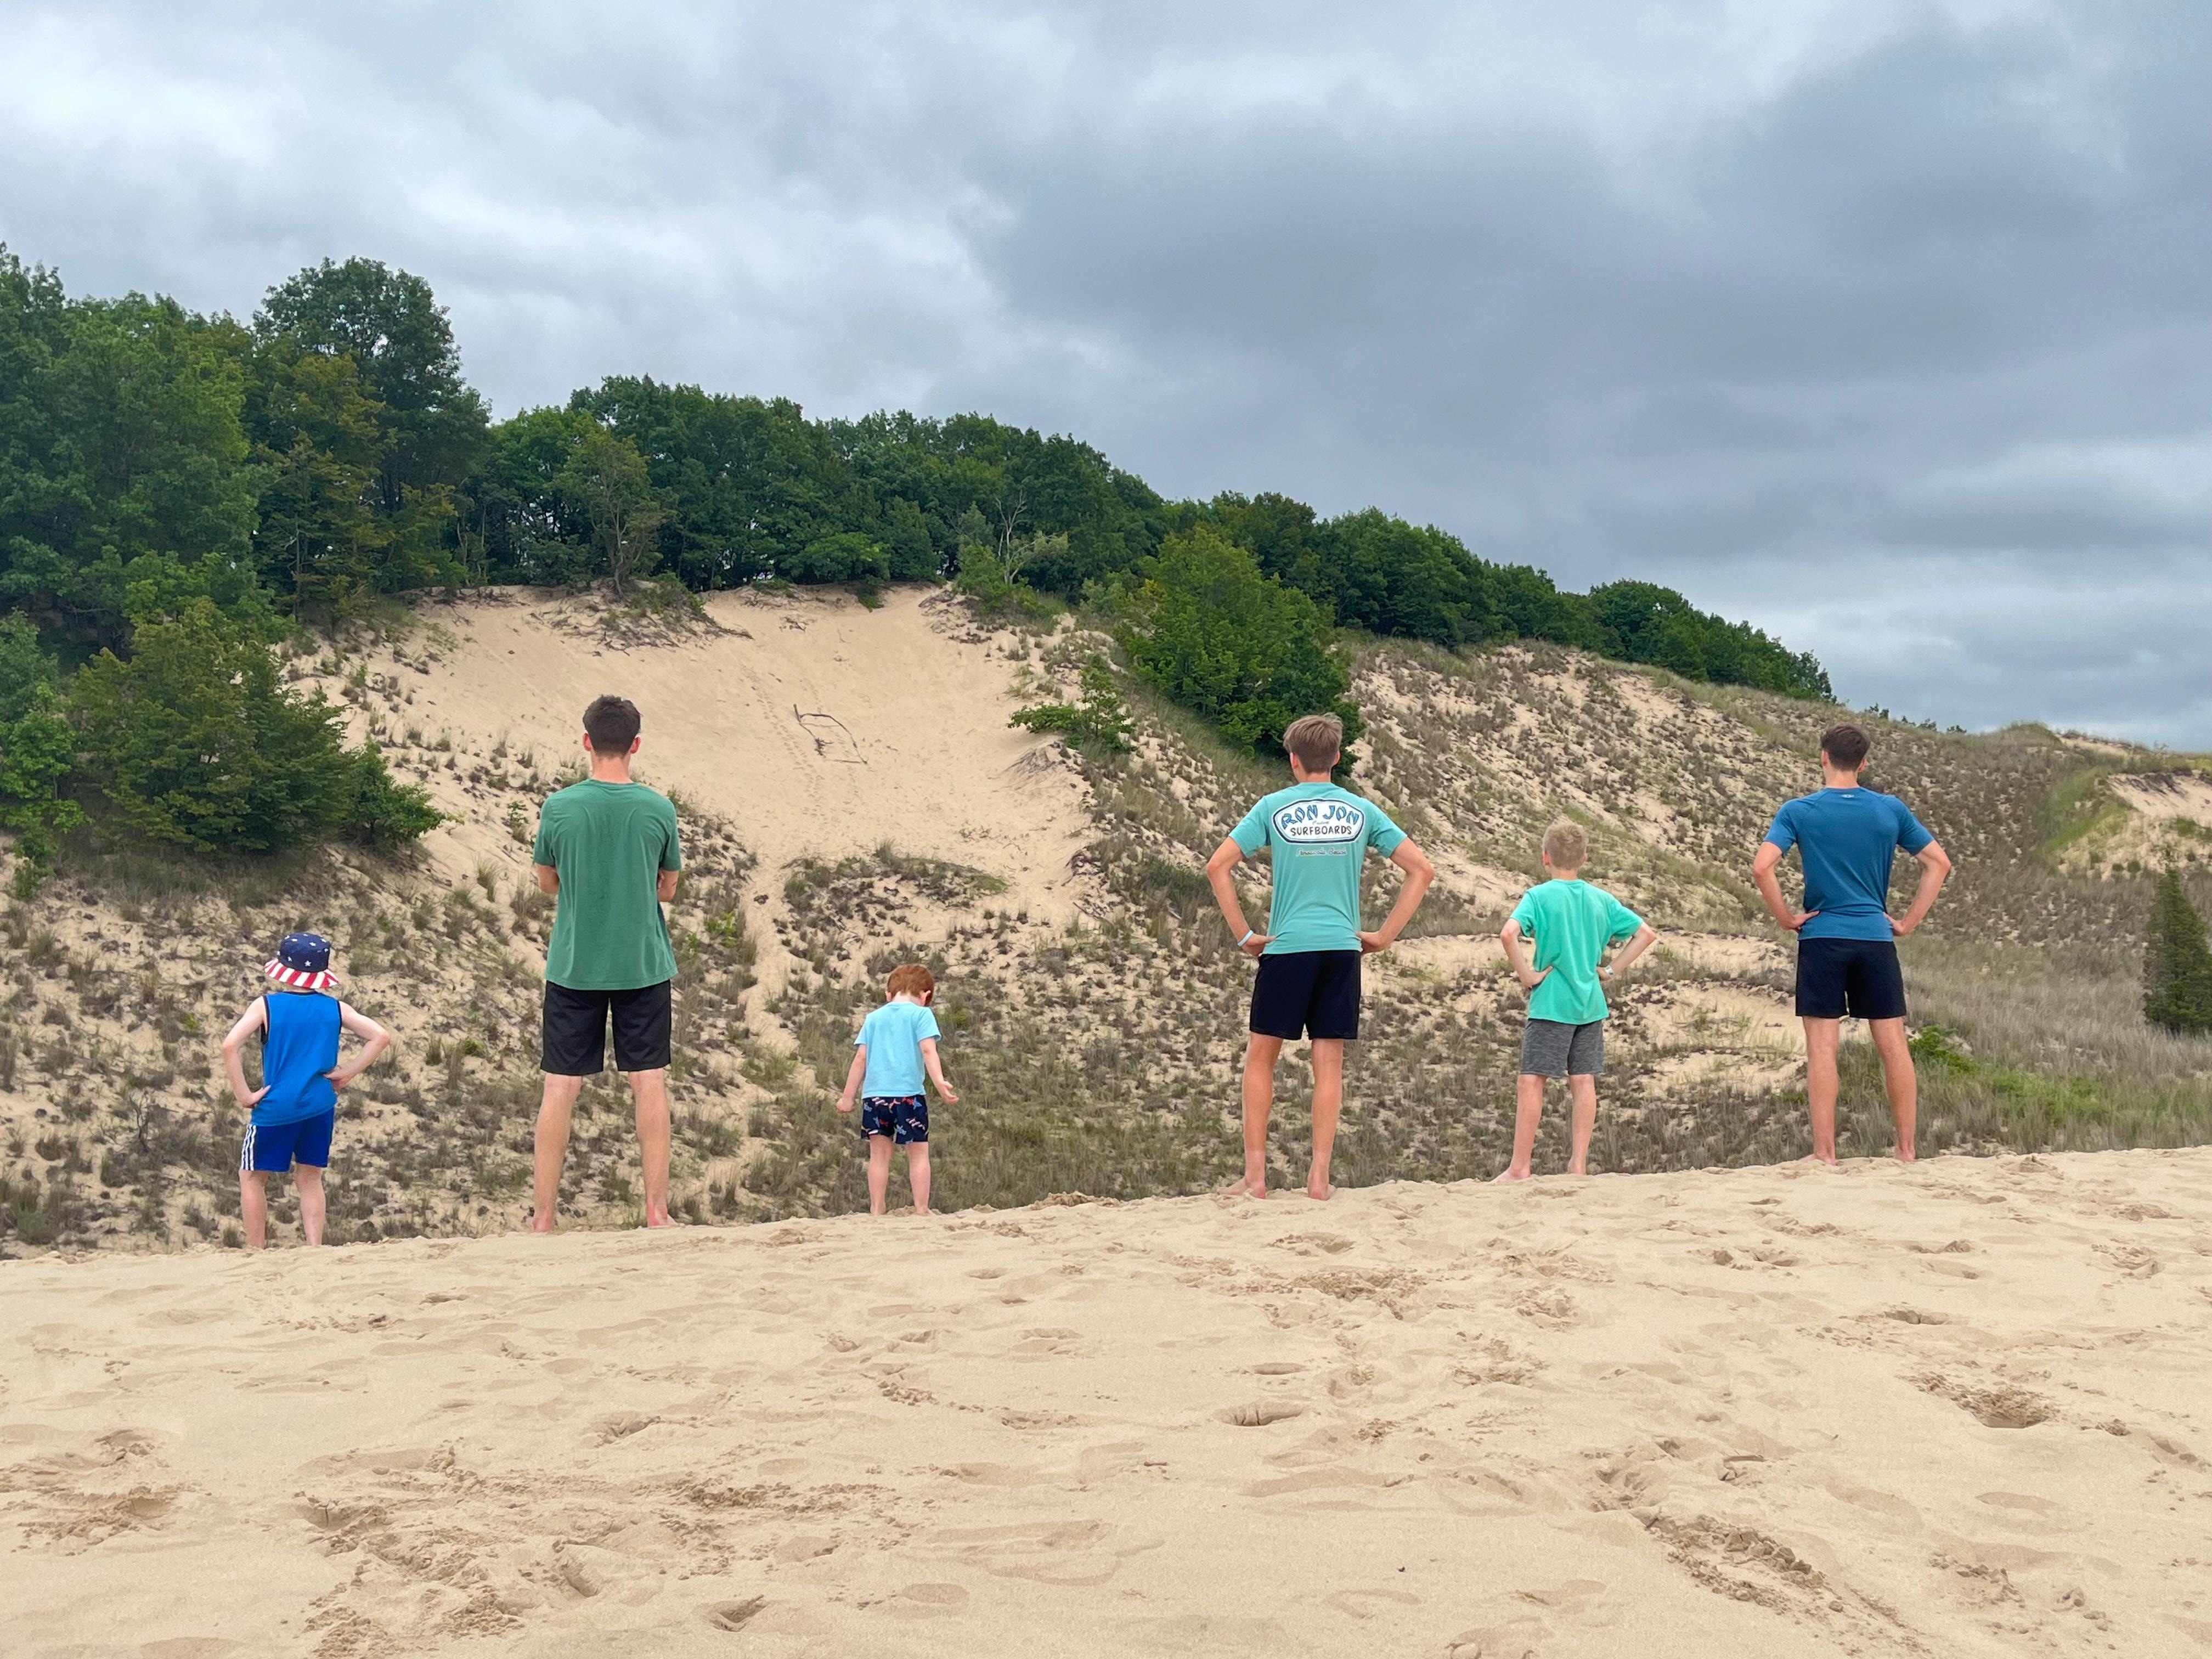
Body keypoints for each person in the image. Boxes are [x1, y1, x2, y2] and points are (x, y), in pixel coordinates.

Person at [1205, 713, 1435, 1200]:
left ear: (1292, 759)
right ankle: (1320, 1178)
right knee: (1328, 1063)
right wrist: (1386, 935)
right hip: (1341, 948)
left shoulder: (1272, 807)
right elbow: (1421, 870)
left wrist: (1245, 933)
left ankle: (1255, 1177)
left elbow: (1217, 866)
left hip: (1288, 947)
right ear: (1336, 757)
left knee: (1261, 1061)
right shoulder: (1362, 811)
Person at [1752, 722, 1951, 1165]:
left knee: (1823, 1048)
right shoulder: (1889, 810)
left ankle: (1825, 1153)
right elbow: (1939, 863)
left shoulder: (1799, 811)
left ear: (1823, 756)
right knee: (1893, 1045)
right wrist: (1907, 922)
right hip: (1875, 939)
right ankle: (1906, 1150)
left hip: (1823, 938)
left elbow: (1762, 867)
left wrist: (1787, 919)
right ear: (1863, 763)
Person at [530, 695, 683, 1231]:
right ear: (635, 744)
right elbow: (668, 888)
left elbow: (547, 881)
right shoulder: (659, 808)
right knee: (649, 1083)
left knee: (560, 1087)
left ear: (587, 741)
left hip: (575, 965)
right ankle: (658, 1212)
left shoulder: (559, 808)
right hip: (643, 963)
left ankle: (544, 1217)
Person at [1494, 821, 1657, 1181]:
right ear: (1584, 859)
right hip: (1589, 1004)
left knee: (1532, 1081)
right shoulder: (1601, 899)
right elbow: (1645, 934)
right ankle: (1578, 1164)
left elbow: (1508, 934)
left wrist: (1527, 976)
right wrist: (1611, 971)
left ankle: (1521, 1166)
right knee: (1583, 1081)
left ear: (1545, 857)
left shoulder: (1538, 897)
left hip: (1551, 1003)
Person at [221, 932, 393, 1249]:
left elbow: (230, 1045)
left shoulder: (266, 1006)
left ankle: (256, 1249)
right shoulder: (335, 1009)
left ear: (283, 968)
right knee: (310, 1178)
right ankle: (315, 1247)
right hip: (319, 1105)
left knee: (253, 1177)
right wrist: (347, 1074)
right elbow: (380, 1037)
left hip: (276, 1107)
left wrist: (245, 1095)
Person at [835, 962, 960, 1215]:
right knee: (918, 1153)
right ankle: (922, 1209)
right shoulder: (922, 1015)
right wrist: (939, 1081)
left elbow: (860, 1059)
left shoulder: (873, 1018)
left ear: (888, 996)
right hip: (909, 1097)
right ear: (926, 996)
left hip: (875, 1098)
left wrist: (848, 1097)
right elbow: (928, 1050)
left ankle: (877, 1207)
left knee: (879, 1156)